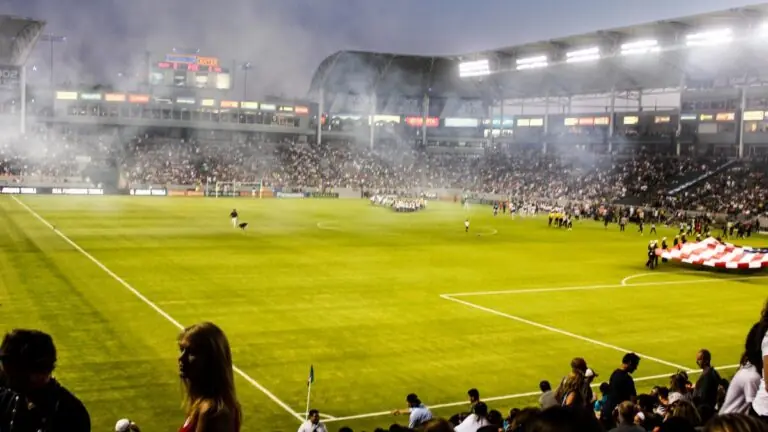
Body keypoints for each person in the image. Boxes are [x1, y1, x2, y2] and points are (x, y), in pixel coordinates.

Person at [0, 329, 90, 432]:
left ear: (40, 373)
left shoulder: (70, 415)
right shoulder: (7, 399)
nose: (5, 375)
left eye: (11, 371)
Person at [178, 322, 241, 432]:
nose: (181, 358)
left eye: (192, 352)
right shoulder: (201, 404)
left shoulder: (212, 412)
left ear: (212, 360)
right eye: (181, 350)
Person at [601, 353, 641, 428]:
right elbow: (633, 402)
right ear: (629, 363)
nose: (635, 368)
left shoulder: (614, 374)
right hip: (619, 415)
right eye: (635, 365)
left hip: (608, 410)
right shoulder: (627, 379)